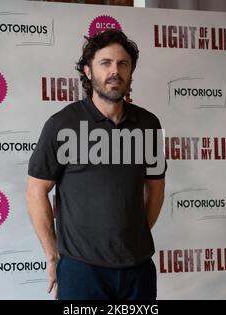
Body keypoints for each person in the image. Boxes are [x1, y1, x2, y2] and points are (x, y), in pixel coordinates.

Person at [26, 29, 166, 300]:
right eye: (106, 63)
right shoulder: (62, 124)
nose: (115, 71)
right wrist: (52, 254)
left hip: (138, 271)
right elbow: (35, 191)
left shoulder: (149, 125)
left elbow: (156, 188)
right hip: (81, 270)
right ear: (89, 72)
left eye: (123, 64)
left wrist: (133, 235)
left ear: (130, 72)